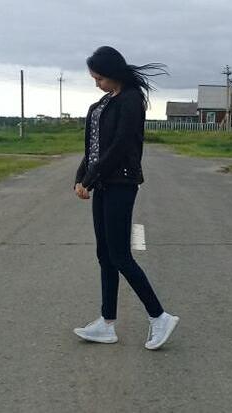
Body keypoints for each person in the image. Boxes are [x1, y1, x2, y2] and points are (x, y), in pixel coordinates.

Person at [73, 46, 180, 350]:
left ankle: (160, 317)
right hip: (103, 184)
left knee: (120, 255)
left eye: (100, 78)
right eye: (94, 79)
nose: (97, 84)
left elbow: (119, 146)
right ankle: (106, 324)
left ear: (113, 72)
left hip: (121, 183)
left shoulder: (132, 100)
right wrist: (80, 177)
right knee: (105, 255)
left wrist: (89, 179)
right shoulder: (105, 102)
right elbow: (93, 148)